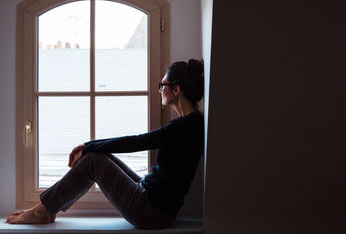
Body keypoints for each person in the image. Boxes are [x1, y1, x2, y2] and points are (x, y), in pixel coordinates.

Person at [7, 59, 204, 229]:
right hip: (155, 205)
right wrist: (88, 146)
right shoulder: (191, 123)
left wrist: (88, 147)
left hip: (150, 212)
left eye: (163, 85)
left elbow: (134, 142)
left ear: (176, 90)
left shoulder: (183, 127)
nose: (160, 90)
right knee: (100, 157)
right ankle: (47, 209)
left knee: (93, 160)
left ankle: (42, 210)